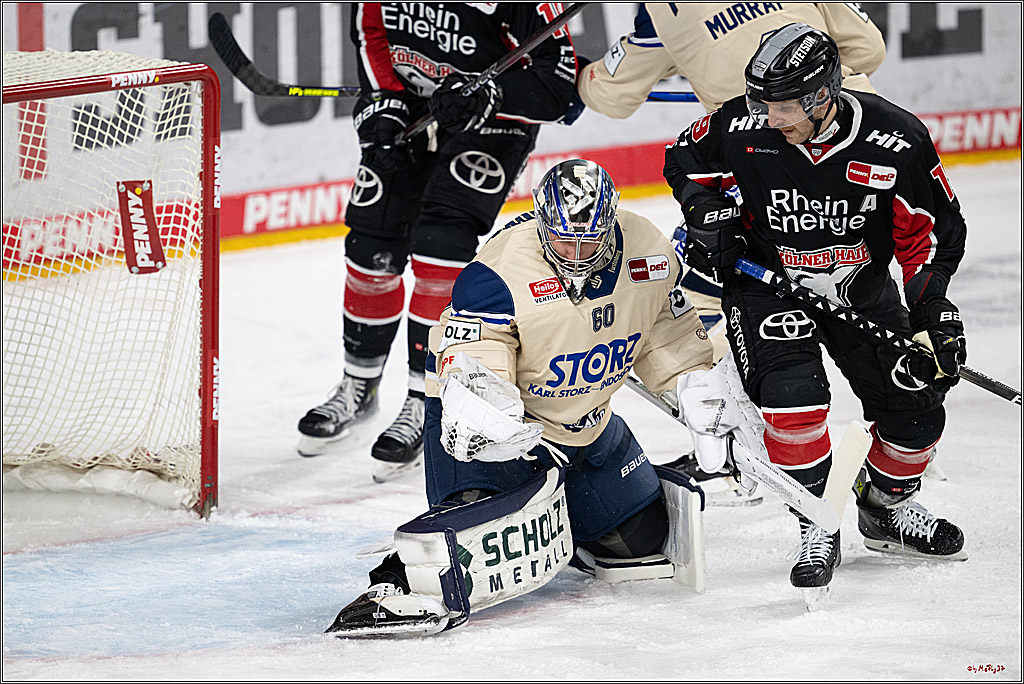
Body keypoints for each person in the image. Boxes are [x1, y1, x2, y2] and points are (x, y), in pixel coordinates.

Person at [323, 159, 751, 636]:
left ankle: (564, 511)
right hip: (502, 428)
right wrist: (487, 408)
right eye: (565, 239)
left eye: (592, 238)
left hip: (586, 421)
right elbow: (474, 352)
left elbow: (665, 333)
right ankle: (401, 579)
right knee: (470, 548)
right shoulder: (498, 272)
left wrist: (694, 388)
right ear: (542, 222)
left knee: (642, 541)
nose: (578, 253)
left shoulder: (648, 250)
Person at [664, 23, 968, 598]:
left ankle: (885, 510)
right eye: (763, 102)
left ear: (822, 96)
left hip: (861, 290)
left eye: (782, 106)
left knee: (918, 413)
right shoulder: (741, 123)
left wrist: (932, 309)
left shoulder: (895, 138)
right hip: (766, 286)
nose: (769, 117)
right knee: (794, 404)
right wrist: (707, 213)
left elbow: (929, 236)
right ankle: (815, 519)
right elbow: (683, 160)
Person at [574, 3, 888, 502]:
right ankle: (901, 450)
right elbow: (870, 50)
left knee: (683, 305)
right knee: (860, 300)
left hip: (770, 169)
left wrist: (575, 76)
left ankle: (732, 456)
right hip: (869, 163)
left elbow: (610, 95)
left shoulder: (662, 13)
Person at [296, 3, 578, 482]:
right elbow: (372, 35)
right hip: (417, 108)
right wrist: (384, 101)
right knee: (371, 247)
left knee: (439, 249)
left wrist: (490, 94)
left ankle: (424, 400)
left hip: (494, 123)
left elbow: (561, 87)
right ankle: (359, 388)